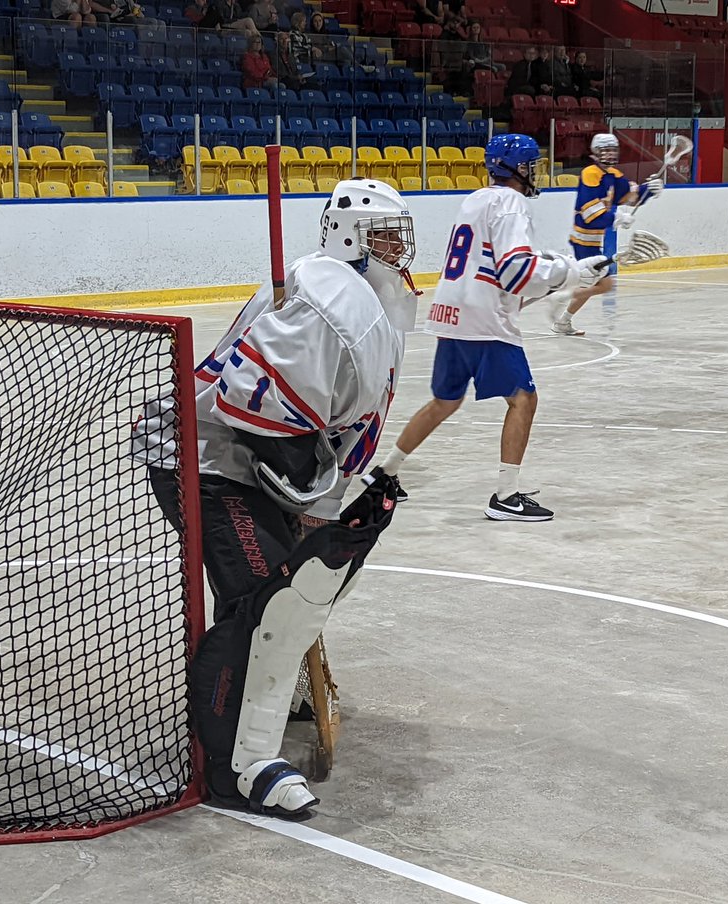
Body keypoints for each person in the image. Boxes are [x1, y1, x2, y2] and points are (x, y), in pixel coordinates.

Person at [131, 179, 417, 818]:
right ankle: (243, 763)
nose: (399, 250)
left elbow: (327, 432)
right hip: (204, 460)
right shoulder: (325, 303)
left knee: (301, 588)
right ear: (351, 238)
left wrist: (321, 508)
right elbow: (259, 425)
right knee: (267, 603)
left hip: (251, 466)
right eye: (384, 237)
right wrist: (312, 500)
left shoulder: (367, 303)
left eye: (400, 235)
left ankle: (270, 684)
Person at [367, 134, 611, 522]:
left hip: (452, 313)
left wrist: (559, 269)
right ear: (516, 169)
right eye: (531, 165)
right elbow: (516, 273)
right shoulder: (512, 204)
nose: (535, 173)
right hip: (484, 321)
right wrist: (571, 271)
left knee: (445, 401)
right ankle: (506, 496)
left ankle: (383, 473)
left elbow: (494, 265)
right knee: (523, 400)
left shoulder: (477, 199)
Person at [548, 133, 662, 337]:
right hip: (583, 241)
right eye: (605, 150)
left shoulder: (613, 175)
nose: (610, 154)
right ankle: (563, 297)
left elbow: (630, 197)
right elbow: (590, 212)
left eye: (613, 149)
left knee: (596, 283)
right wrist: (616, 218)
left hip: (593, 241)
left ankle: (563, 320)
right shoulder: (590, 173)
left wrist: (649, 189)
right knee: (604, 284)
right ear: (595, 152)